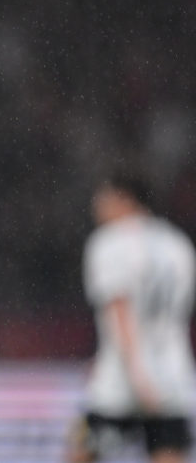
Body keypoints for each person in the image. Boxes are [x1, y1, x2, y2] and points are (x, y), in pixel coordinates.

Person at [68, 173, 196, 463]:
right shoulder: (178, 244)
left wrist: (139, 374)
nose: (97, 205)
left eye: (103, 197)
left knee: (79, 453)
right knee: (168, 452)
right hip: (173, 374)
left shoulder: (110, 243)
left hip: (121, 380)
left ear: (124, 198)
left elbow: (121, 314)